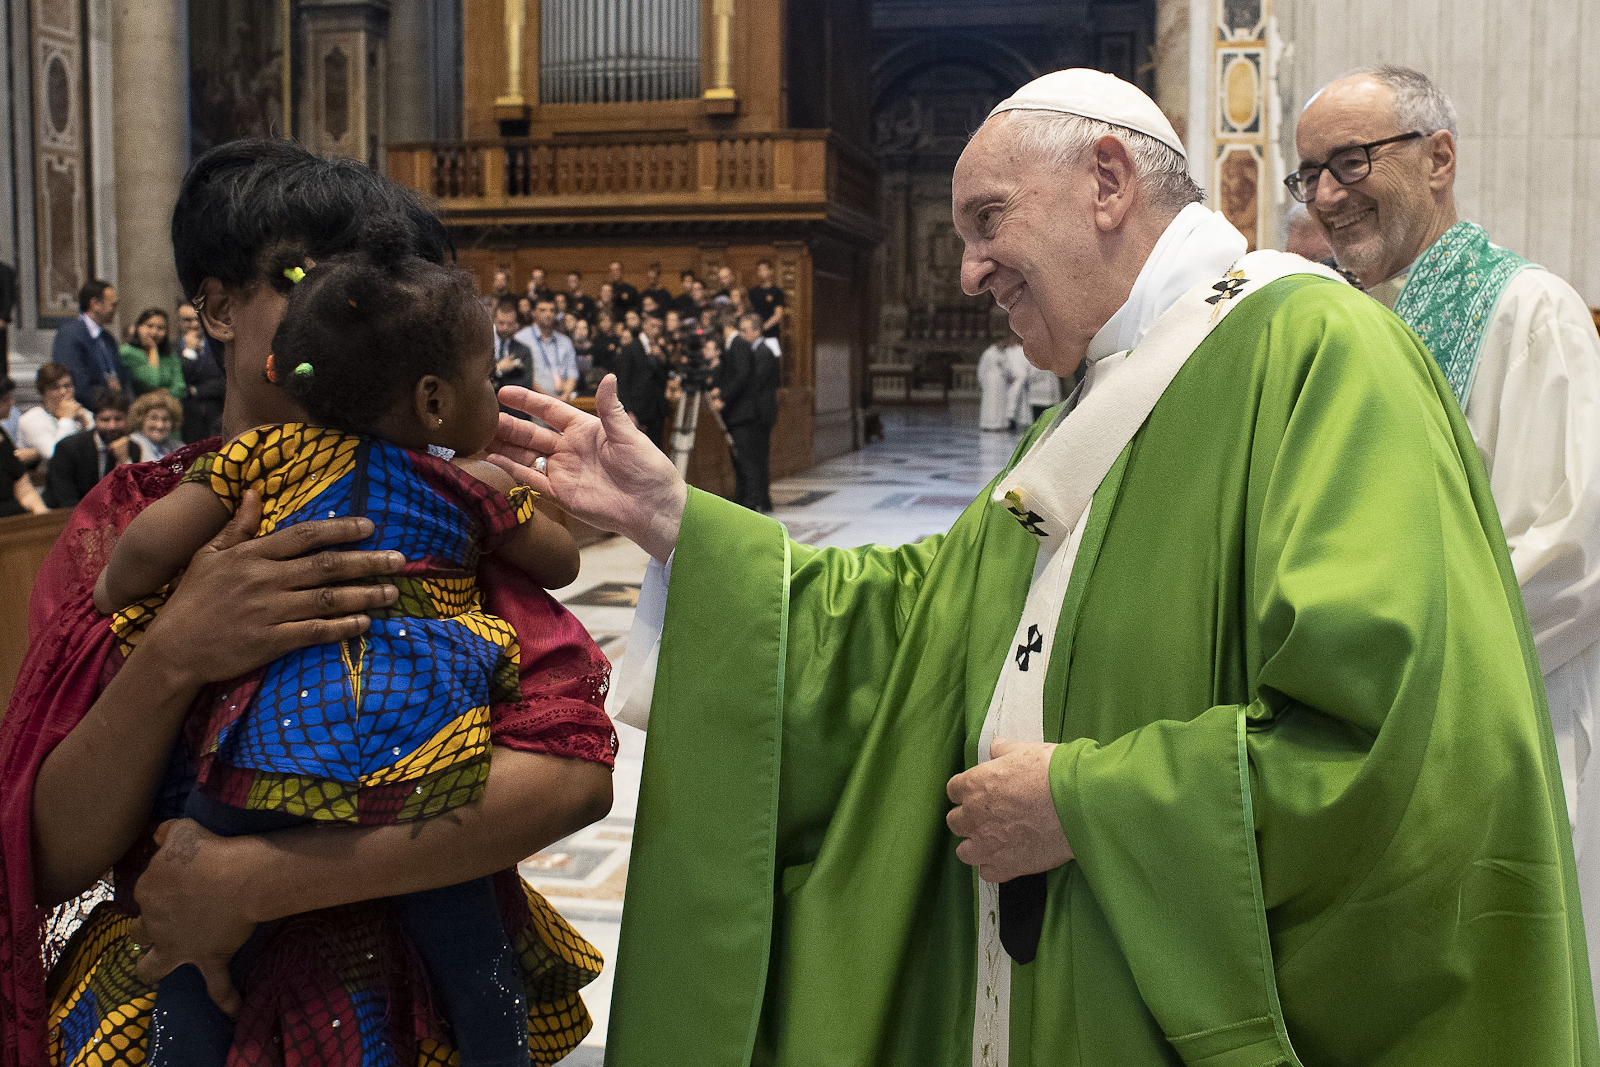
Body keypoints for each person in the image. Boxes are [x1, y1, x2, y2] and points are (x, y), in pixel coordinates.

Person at [489, 68, 1597, 1067]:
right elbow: (931, 611)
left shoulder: (1317, 352)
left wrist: (1085, 800)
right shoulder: (1116, 379)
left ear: (1107, 181)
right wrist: (682, 519)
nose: (966, 266)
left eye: (986, 220)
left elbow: (1400, 744)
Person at [2, 138, 616, 1067]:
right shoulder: (125, 521)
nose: (361, 316)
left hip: (415, 1006)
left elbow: (570, 776)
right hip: (185, 970)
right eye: (313, 278)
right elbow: (51, 854)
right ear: (215, 307)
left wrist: (254, 878)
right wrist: (176, 652)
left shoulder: (438, 512)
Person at [1297, 63, 1600, 1015]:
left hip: (1507, 718)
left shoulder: (1529, 308)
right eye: (1309, 174)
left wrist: (1393, 656)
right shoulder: (1356, 317)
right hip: (1388, 722)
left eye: (1351, 162)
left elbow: (1572, 547)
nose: (1328, 196)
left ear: (1440, 159)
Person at [44, 388, 141, 508]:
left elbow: (132, 501)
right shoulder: (68, 448)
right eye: (105, 420)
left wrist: (124, 461)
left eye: (118, 419)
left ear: (127, 419)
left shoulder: (132, 449)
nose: (112, 426)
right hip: (63, 518)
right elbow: (67, 501)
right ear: (95, 419)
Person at [51, 279, 131, 407]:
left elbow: (120, 375)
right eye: (113, 305)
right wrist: (107, 400)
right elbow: (76, 381)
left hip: (113, 409)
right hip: (87, 409)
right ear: (95, 304)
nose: (116, 310)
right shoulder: (70, 334)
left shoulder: (108, 338)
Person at [16, 362, 92, 467]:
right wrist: (67, 419)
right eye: (55, 388)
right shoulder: (31, 419)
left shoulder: (82, 413)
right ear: (43, 392)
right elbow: (57, 456)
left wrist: (86, 424)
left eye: (67, 386)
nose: (63, 392)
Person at [515, 296, 579, 400]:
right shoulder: (521, 339)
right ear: (533, 313)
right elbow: (526, 376)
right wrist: (549, 399)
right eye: (543, 310)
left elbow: (572, 373)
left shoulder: (565, 341)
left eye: (552, 310)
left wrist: (565, 396)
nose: (548, 314)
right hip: (533, 401)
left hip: (563, 402)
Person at [615, 323, 668, 447]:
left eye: (659, 327)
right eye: (653, 326)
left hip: (656, 408)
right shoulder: (630, 349)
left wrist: (661, 358)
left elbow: (664, 378)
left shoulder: (660, 349)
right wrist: (628, 410)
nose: (656, 330)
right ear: (645, 326)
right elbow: (623, 381)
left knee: (657, 450)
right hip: (636, 408)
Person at [120, 307, 185, 400]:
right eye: (149, 326)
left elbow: (180, 388)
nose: (154, 332)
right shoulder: (127, 352)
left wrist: (164, 393)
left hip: (168, 407)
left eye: (160, 328)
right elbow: (152, 381)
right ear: (139, 327)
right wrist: (153, 349)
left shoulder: (170, 355)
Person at [0, 385, 46, 517]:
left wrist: (44, 518)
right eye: (5, 399)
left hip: (15, 520)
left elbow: (25, 491)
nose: (12, 403)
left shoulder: (2, 437)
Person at [179, 322, 226, 443]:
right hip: (186, 418)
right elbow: (180, 381)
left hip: (215, 413)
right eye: (187, 319)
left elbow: (223, 380)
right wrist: (189, 351)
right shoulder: (172, 347)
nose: (194, 324)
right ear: (179, 321)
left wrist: (195, 390)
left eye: (197, 318)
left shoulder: (218, 346)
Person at [492, 296, 534, 417]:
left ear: (516, 324)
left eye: (509, 324)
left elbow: (526, 384)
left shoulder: (523, 350)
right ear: (494, 320)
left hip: (515, 411)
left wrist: (496, 379)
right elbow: (480, 380)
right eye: (501, 323)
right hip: (489, 409)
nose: (505, 327)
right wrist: (499, 370)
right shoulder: (483, 346)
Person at [126, 389, 183, 461]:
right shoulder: (130, 446)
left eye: (165, 419)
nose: (160, 425)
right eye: (153, 418)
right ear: (141, 419)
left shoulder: (180, 448)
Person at [977, 334, 1019, 431]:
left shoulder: (1003, 353)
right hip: (990, 383)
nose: (1003, 344)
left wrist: (1009, 375)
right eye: (1001, 342)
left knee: (1000, 403)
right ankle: (989, 424)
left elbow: (1008, 367)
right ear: (997, 342)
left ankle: (1000, 424)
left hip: (1001, 383)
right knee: (990, 403)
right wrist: (983, 382)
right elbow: (982, 369)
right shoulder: (988, 353)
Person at [747, 259, 786, 356]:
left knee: (771, 363)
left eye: (764, 269)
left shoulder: (777, 292)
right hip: (754, 335)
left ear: (771, 271)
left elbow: (778, 315)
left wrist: (763, 328)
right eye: (759, 270)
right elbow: (748, 312)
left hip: (771, 334)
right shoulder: (753, 292)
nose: (761, 272)